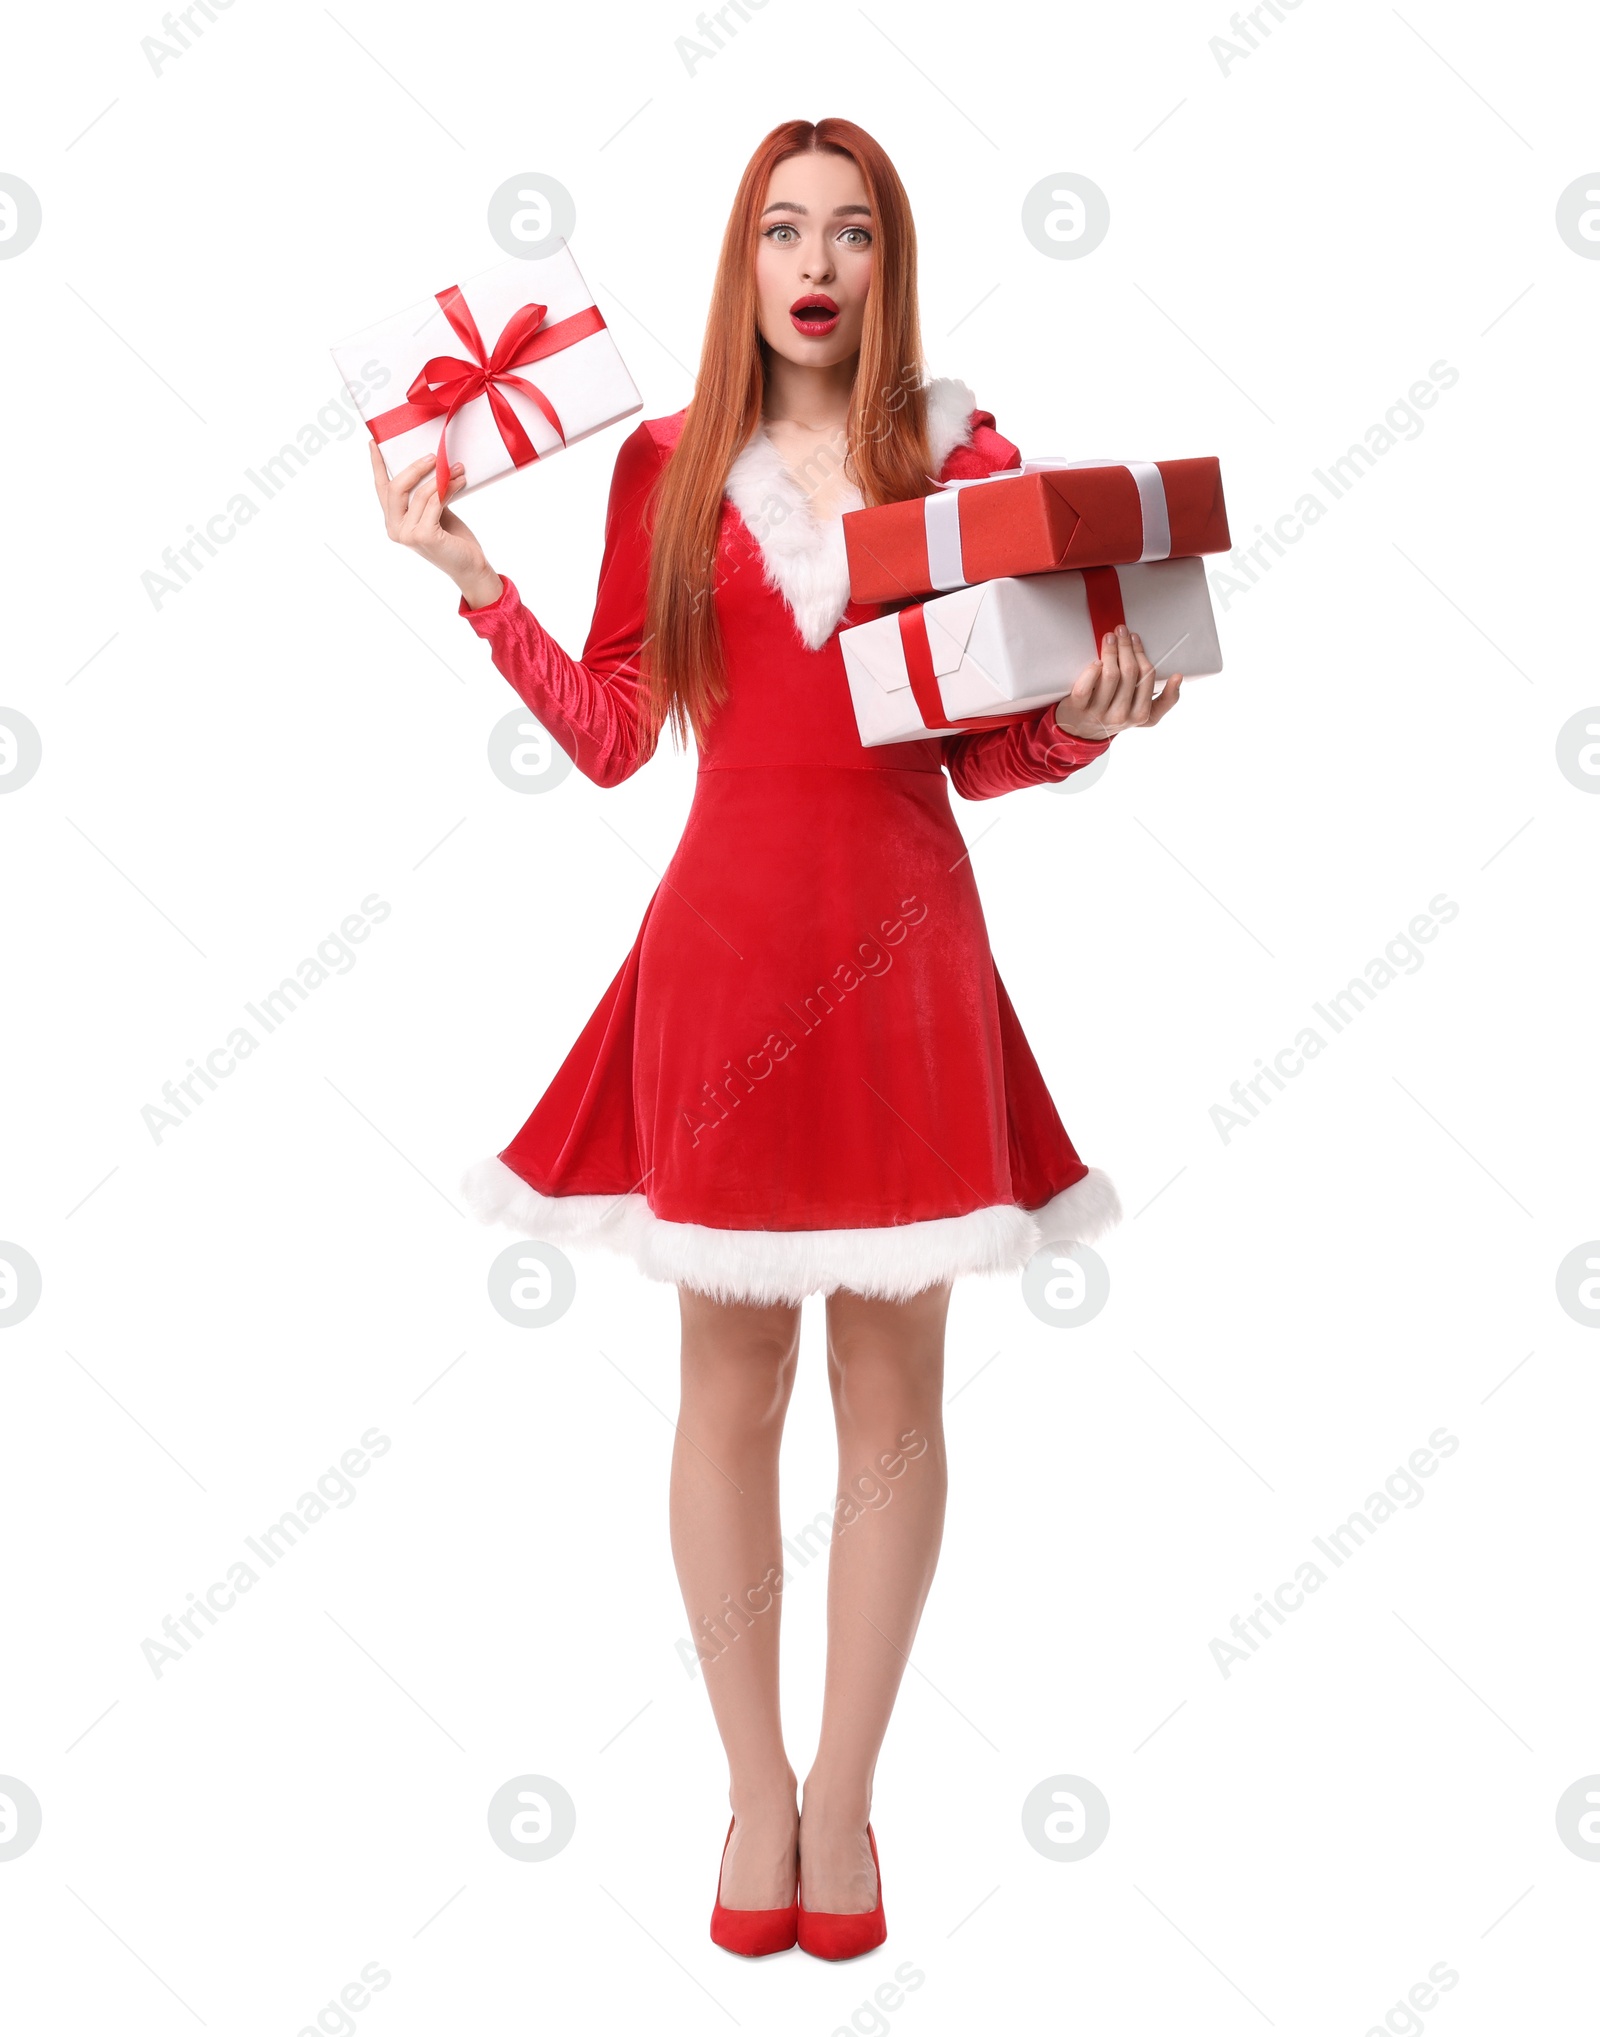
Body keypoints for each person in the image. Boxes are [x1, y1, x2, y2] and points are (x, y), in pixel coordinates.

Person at [370, 116, 1183, 1961]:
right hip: (726, 963)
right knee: (727, 1392)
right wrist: (471, 576)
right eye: (783, 232)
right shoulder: (664, 463)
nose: (817, 265)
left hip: (908, 957)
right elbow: (610, 730)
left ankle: (847, 1797)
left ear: (895, 265)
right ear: (743, 262)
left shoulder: (963, 463)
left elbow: (985, 746)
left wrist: (1097, 719)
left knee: (895, 1404)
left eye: (857, 236)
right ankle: (751, 1794)